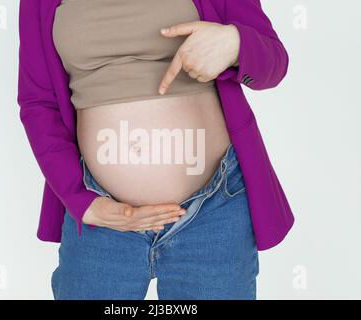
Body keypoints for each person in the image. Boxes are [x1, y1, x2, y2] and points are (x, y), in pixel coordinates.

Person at [17, 0, 294, 300]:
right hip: (103, 221)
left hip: (213, 212)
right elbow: (38, 104)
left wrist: (236, 44)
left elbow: (273, 62)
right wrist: (83, 202)